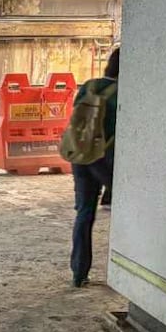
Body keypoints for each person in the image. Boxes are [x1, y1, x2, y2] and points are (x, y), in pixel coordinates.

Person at [70, 47, 119, 288]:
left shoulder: (88, 85)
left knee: (84, 213)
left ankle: (79, 272)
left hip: (80, 155)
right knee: (127, 210)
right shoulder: (121, 92)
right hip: (105, 157)